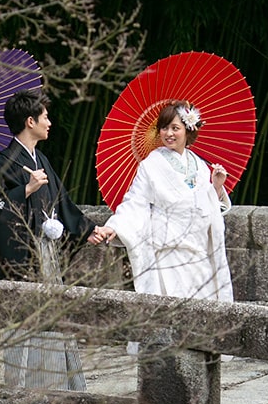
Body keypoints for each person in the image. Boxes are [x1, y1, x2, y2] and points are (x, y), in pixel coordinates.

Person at [0, 89, 104, 391]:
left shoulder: (42, 161)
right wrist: (24, 190)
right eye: (45, 117)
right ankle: (23, 389)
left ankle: (57, 385)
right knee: (26, 320)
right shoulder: (2, 163)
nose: (49, 122)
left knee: (53, 316)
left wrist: (88, 229)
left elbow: (62, 204)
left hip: (46, 254)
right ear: (30, 121)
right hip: (21, 259)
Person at [95, 100, 233, 307]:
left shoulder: (201, 166)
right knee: (173, 310)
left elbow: (208, 207)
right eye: (164, 128)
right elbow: (135, 201)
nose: (169, 133)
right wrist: (115, 226)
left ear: (188, 130)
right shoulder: (151, 165)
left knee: (202, 313)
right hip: (169, 250)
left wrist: (217, 187)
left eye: (175, 128)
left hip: (199, 249)